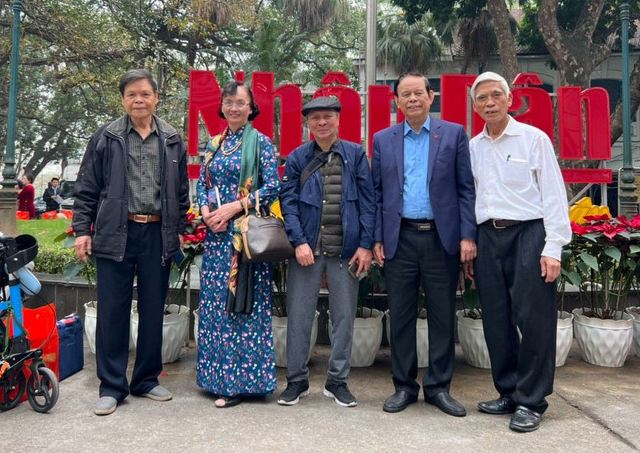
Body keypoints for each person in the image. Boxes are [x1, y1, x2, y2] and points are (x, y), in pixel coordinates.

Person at [73, 69, 189, 416]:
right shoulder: (106, 137)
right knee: (112, 311)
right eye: (131, 95)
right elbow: (86, 188)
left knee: (154, 308)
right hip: (115, 233)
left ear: (156, 97)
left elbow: (181, 191)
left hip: (156, 233)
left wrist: (179, 227)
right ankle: (112, 386)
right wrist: (83, 230)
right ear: (123, 99)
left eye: (145, 94)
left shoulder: (171, 138)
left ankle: (146, 379)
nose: (138, 100)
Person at [468, 72, 571, 433]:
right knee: (496, 320)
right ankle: (509, 391)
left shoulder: (533, 140)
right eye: (482, 98)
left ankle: (532, 400)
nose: (490, 102)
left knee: (534, 319)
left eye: (496, 95)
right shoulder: (473, 146)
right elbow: (473, 198)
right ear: (475, 105)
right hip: (487, 237)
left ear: (511, 99)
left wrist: (553, 246)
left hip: (529, 232)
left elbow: (554, 195)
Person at [372, 72, 477, 416]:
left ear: (432, 97)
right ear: (397, 101)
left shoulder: (453, 135)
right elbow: (376, 194)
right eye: (406, 94)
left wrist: (466, 235)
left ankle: (438, 388)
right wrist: (376, 237)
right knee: (400, 316)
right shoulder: (383, 139)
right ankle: (404, 387)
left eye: (419, 92)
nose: (413, 99)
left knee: (442, 316)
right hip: (399, 239)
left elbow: (465, 190)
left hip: (440, 238)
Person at [277, 96, 375, 407]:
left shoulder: (355, 154)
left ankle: (338, 381)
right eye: (315, 117)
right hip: (307, 249)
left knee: (344, 316)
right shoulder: (297, 157)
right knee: (300, 316)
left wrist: (365, 245)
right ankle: (296, 380)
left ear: (338, 120)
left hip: (345, 249)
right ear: (308, 123)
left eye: (328, 117)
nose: (322, 122)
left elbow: (368, 202)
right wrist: (298, 241)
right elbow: (288, 204)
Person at [196, 81, 279, 408]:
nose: (234, 107)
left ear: (250, 107)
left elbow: (273, 187)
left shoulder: (261, 143)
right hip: (216, 240)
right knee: (217, 309)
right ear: (222, 106)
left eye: (240, 102)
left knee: (243, 308)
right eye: (229, 102)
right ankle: (215, 379)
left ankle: (240, 384)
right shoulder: (214, 144)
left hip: (246, 241)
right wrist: (206, 213)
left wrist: (234, 207)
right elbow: (204, 185)